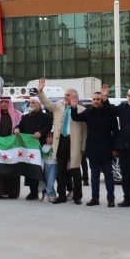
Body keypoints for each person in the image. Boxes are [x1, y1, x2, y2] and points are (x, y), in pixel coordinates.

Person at [37, 77, 87, 205]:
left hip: (74, 142)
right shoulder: (59, 105)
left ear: (75, 97)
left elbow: (84, 132)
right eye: (65, 94)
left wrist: (83, 146)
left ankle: (77, 196)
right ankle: (62, 195)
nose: (65, 96)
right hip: (61, 141)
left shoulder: (82, 110)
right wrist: (40, 91)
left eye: (68, 95)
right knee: (61, 169)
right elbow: (47, 104)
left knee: (75, 169)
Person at [70, 92, 119, 207]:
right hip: (92, 149)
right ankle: (95, 198)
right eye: (94, 99)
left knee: (108, 175)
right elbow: (75, 117)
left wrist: (116, 148)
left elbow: (116, 133)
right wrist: (73, 107)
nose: (96, 101)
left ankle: (110, 199)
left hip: (107, 149)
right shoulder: (88, 113)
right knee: (94, 175)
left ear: (102, 101)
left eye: (98, 99)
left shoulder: (110, 115)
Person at [14, 96, 53, 200]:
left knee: (42, 170)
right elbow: (19, 126)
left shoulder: (46, 117)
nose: (31, 105)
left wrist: (41, 132)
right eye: (30, 103)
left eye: (33, 103)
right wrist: (17, 129)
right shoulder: (26, 117)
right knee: (30, 169)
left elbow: (48, 127)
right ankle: (33, 192)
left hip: (40, 148)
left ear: (39, 104)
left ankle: (46, 191)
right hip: (28, 149)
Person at [41, 134, 58, 202]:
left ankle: (46, 195)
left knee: (51, 181)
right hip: (46, 165)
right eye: (47, 137)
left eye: (50, 137)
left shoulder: (55, 146)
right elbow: (42, 158)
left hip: (54, 165)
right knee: (48, 181)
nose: (48, 139)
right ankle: (53, 195)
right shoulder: (44, 147)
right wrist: (42, 167)